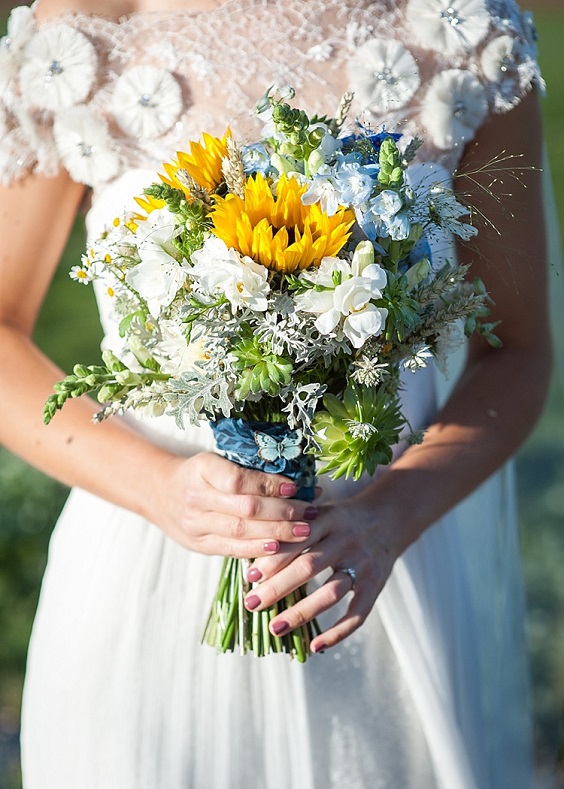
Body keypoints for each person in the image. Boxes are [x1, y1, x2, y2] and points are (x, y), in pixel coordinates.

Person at [0, 0, 552, 786]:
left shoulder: (464, 32)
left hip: (377, 583)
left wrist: (389, 515)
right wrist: (160, 489)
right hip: (145, 582)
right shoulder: (86, 31)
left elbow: (519, 352)